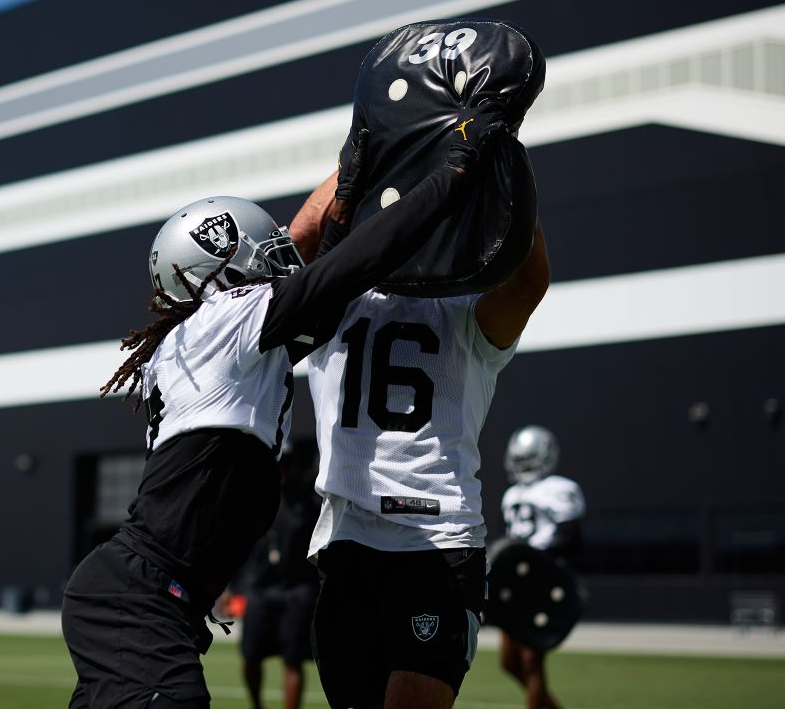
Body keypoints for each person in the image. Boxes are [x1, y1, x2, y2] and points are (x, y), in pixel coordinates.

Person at [61, 104, 507, 709]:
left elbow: (315, 254)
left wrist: (356, 170)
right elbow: (354, 261)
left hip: (138, 594)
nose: (276, 258)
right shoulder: (224, 321)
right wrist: (452, 170)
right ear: (219, 272)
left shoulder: (209, 343)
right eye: (257, 250)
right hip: (140, 598)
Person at [290, 126, 551, 709]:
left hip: (433, 540)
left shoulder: (463, 309)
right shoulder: (334, 296)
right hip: (348, 537)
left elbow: (529, 282)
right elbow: (296, 243)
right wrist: (385, 155)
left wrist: (500, 164)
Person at [497, 425, 584, 709]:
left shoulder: (561, 488)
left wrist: (535, 554)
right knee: (509, 662)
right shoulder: (511, 494)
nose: (524, 466)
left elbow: (569, 532)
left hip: (544, 581)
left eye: (529, 459)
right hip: (518, 581)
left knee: (531, 660)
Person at [235, 446, 321, 709]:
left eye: (288, 463)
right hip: (260, 588)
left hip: (297, 590)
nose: (283, 469)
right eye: (278, 464)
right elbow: (241, 545)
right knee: (251, 656)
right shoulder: (256, 498)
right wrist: (236, 587)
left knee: (292, 659)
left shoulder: (309, 502)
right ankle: (257, 705)